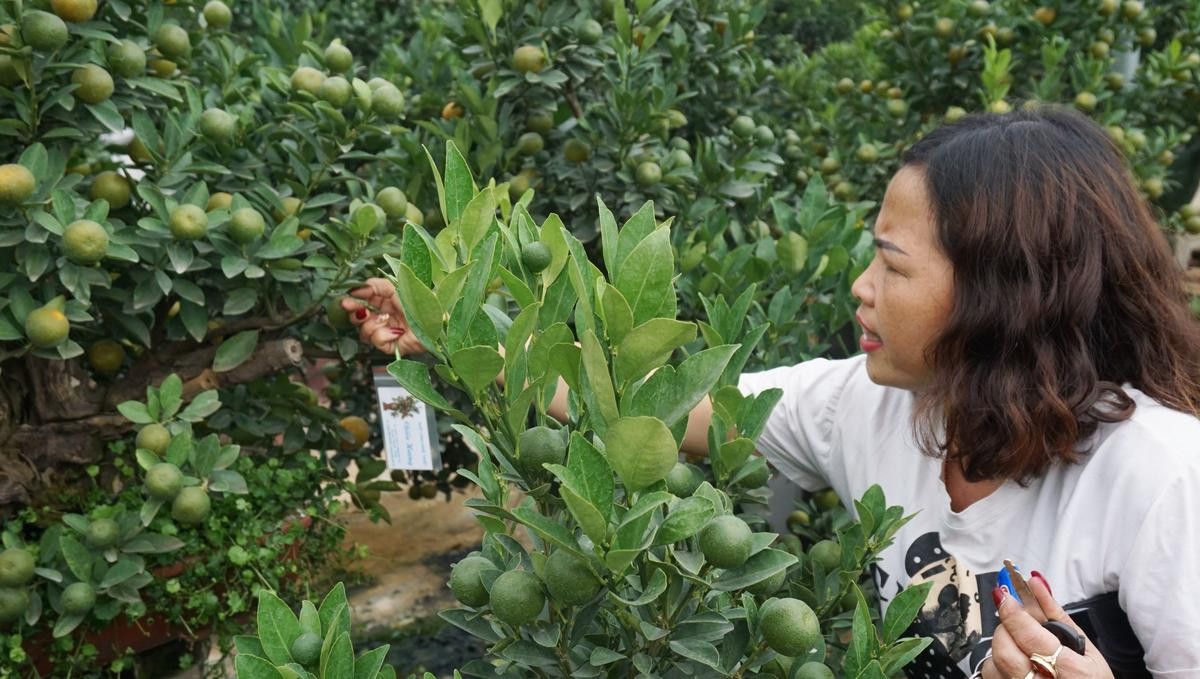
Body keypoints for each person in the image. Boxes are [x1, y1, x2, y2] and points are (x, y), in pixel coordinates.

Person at [344, 106, 1200, 678]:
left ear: (1002, 290)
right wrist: (461, 339)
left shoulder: (1160, 476)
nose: (860, 289)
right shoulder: (871, 409)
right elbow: (656, 404)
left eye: (892, 266)